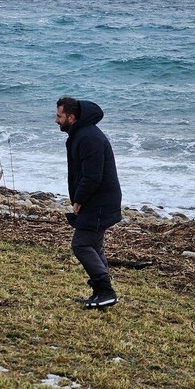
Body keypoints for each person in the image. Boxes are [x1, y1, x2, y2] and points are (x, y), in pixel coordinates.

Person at [56, 97, 122, 309]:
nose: (56, 120)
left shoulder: (88, 138)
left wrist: (79, 200)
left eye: (59, 116)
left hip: (99, 202)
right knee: (93, 245)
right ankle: (101, 293)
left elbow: (93, 176)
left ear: (72, 117)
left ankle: (106, 291)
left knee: (81, 244)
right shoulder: (81, 134)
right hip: (100, 200)